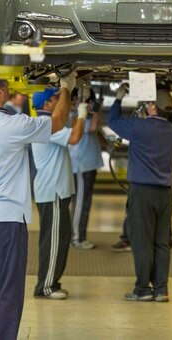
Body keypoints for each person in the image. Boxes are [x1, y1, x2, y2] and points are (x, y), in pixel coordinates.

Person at [0, 75, 73, 340]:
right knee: (9, 290)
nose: (10, 88)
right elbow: (58, 122)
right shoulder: (14, 125)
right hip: (7, 220)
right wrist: (66, 88)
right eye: (6, 85)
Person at [108, 83, 172, 302]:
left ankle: (142, 289)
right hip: (165, 194)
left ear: (153, 107)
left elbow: (114, 122)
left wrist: (119, 99)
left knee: (142, 242)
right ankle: (161, 289)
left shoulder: (139, 128)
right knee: (161, 242)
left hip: (142, 193)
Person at [31, 88, 86, 299]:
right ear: (47, 104)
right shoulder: (47, 126)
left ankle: (51, 282)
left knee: (59, 240)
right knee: (53, 241)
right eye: (57, 99)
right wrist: (81, 113)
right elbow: (74, 137)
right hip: (52, 192)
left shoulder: (49, 124)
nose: (62, 103)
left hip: (55, 192)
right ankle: (46, 286)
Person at [69, 90, 103, 250]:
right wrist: (95, 111)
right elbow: (92, 128)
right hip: (81, 166)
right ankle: (77, 238)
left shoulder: (82, 116)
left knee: (84, 203)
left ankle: (78, 235)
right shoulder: (76, 117)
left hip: (89, 165)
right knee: (80, 203)